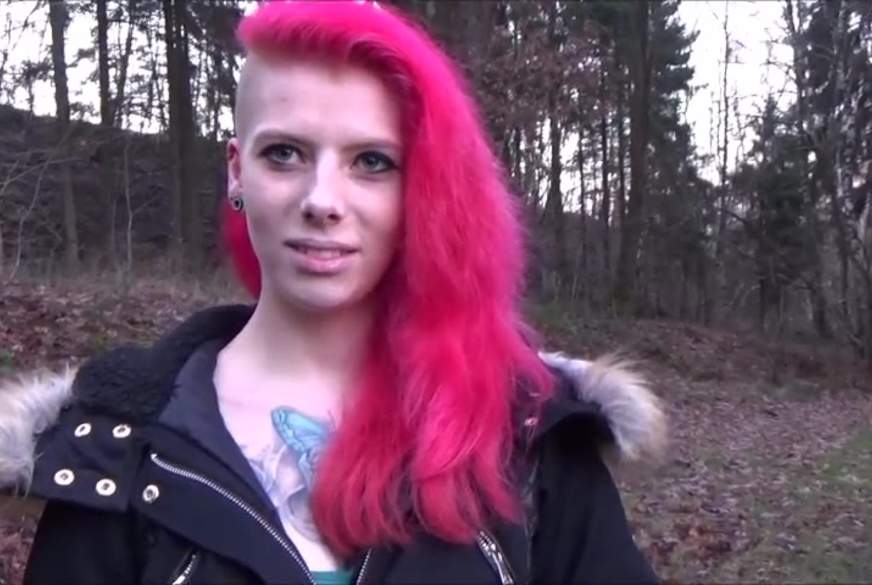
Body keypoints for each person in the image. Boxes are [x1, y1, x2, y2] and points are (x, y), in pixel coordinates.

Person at [0, 2, 666, 583]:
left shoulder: (524, 431)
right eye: (284, 153)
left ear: (420, 186)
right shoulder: (113, 447)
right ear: (236, 171)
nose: (322, 200)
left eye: (371, 162)